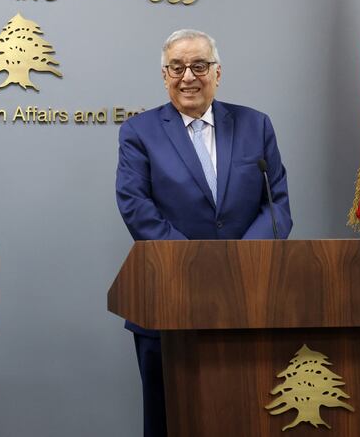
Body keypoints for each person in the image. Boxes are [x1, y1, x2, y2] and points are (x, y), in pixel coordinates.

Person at [115, 29, 292, 437]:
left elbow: (277, 204)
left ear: (217, 72)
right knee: (168, 421)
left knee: (246, 416)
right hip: (167, 300)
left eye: (199, 66)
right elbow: (135, 206)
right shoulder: (139, 132)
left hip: (248, 298)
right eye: (177, 67)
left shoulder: (255, 125)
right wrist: (199, 264)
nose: (188, 77)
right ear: (164, 75)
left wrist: (238, 262)